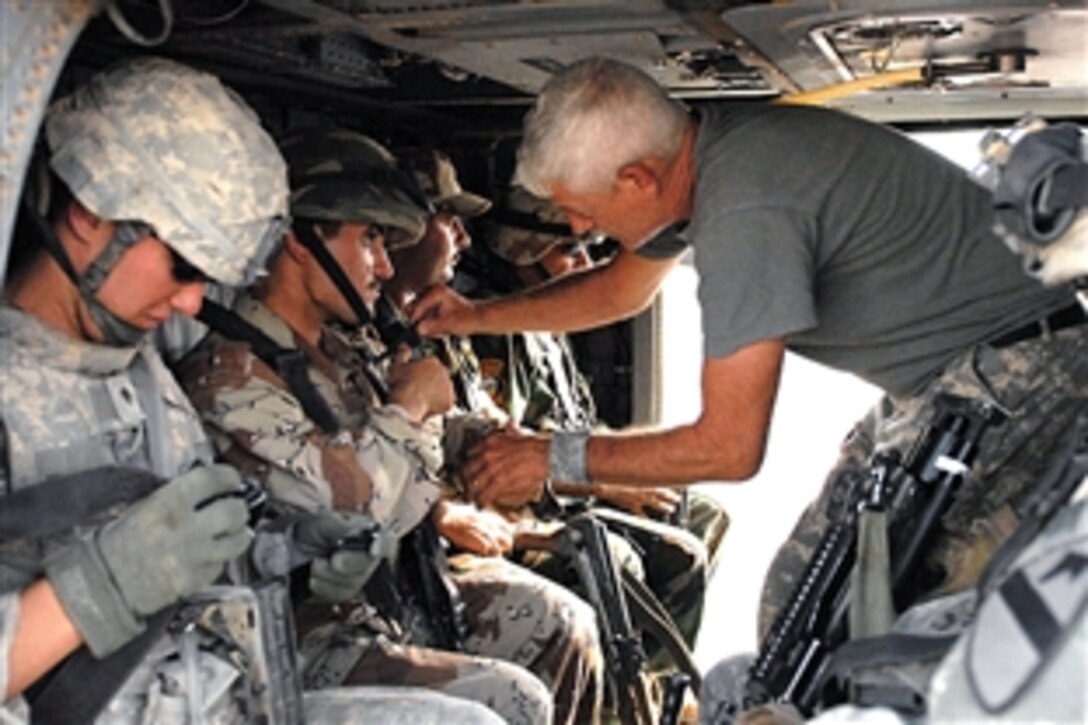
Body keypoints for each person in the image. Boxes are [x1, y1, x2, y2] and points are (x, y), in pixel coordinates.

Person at [410, 56, 1088, 651]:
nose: (580, 228)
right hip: (958, 378)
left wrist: (548, 457)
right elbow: (620, 291)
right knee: (804, 604)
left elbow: (729, 447)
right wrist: (475, 315)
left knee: (883, 632)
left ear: (639, 180)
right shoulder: (711, 154)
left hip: (1019, 382)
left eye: (582, 209)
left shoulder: (745, 210)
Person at [0, 57, 504, 725]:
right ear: (90, 212)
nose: (188, 302)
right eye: (183, 265)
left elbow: (193, 550)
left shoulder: (138, 372)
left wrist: (289, 549)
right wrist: (94, 591)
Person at [177, 128, 601, 725]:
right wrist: (410, 412)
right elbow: (352, 515)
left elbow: (431, 431)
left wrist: (497, 446)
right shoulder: (230, 378)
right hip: (300, 643)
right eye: (370, 238)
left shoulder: (342, 348)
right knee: (511, 700)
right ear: (302, 241)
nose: (383, 263)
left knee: (564, 622)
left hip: (391, 600)